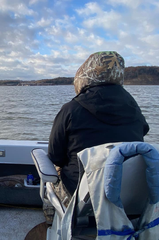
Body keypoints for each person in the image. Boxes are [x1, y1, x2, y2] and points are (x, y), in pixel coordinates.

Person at [48, 51, 149, 205]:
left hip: (83, 198)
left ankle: (53, 219)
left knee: (52, 177)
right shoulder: (135, 109)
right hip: (127, 195)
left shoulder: (71, 109)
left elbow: (55, 156)